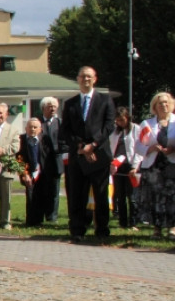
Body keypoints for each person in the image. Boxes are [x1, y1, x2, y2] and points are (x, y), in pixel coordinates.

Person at [60, 66, 116, 240]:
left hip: (99, 154)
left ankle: (102, 230)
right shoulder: (70, 104)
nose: (86, 80)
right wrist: (81, 146)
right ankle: (77, 230)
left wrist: (93, 145)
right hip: (78, 155)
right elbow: (65, 131)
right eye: (83, 76)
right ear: (77, 79)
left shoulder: (105, 100)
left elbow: (109, 126)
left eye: (89, 77)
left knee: (100, 194)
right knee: (77, 194)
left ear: (95, 79)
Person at [133, 92, 175, 239]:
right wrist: (150, 149)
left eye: (166, 102)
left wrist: (172, 149)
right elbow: (138, 146)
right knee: (155, 197)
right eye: (160, 103)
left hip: (172, 165)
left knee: (172, 197)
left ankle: (172, 228)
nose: (163, 105)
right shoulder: (147, 124)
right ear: (154, 107)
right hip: (153, 166)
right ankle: (157, 229)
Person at [108, 107, 142, 231]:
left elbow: (139, 149)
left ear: (127, 118)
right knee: (120, 196)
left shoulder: (136, 129)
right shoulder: (115, 132)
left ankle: (133, 222)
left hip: (131, 166)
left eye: (122, 120)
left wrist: (135, 166)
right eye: (117, 120)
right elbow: (111, 148)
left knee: (132, 197)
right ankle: (122, 223)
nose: (120, 123)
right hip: (118, 167)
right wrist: (112, 163)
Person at [17, 118, 52, 226]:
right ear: (25, 128)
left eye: (35, 127)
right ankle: (30, 220)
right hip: (28, 171)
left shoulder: (45, 139)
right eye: (30, 127)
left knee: (41, 195)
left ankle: (39, 220)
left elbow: (48, 156)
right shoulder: (21, 140)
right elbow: (19, 158)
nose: (32, 129)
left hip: (42, 172)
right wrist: (24, 173)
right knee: (30, 195)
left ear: (40, 129)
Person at [38, 97, 64, 222]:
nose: (53, 108)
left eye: (54, 106)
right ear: (43, 108)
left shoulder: (60, 123)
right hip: (41, 162)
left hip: (55, 162)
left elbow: (65, 142)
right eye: (50, 106)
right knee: (42, 190)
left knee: (54, 191)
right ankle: (40, 215)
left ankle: (52, 216)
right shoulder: (37, 123)